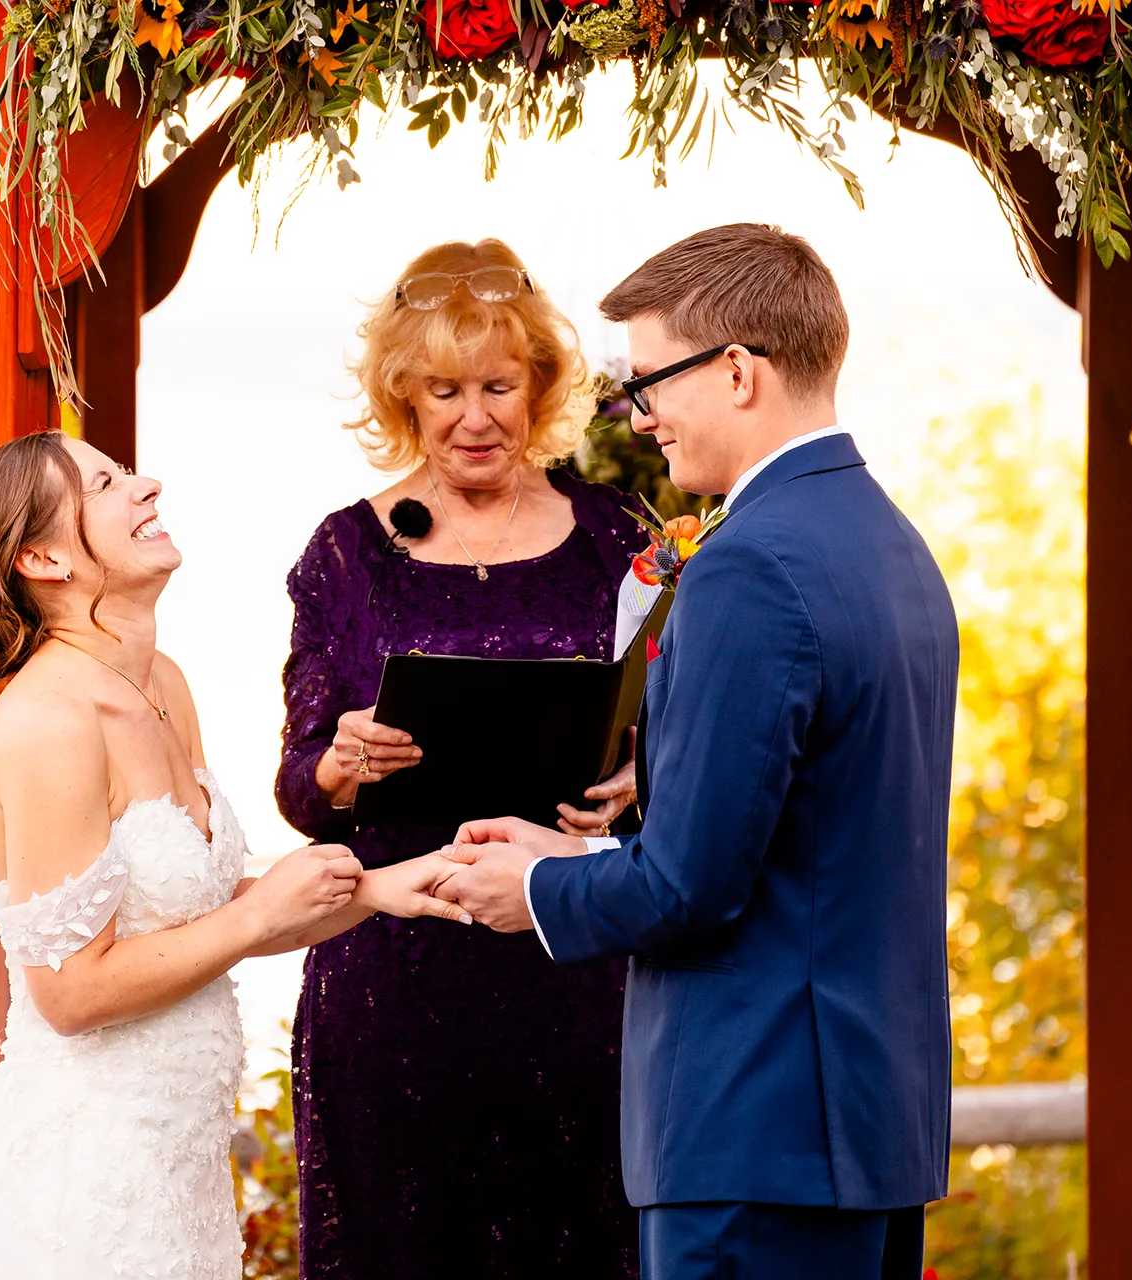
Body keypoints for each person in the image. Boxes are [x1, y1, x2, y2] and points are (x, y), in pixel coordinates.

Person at [0, 431, 464, 1280]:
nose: (148, 486)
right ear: (42, 556)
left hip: (182, 1170)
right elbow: (72, 991)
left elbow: (201, 912)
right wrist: (262, 913)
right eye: (107, 484)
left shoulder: (164, 684)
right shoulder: (49, 724)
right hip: (87, 1184)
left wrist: (379, 888)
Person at [436, 224, 959, 1279]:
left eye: (648, 380)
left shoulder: (750, 566)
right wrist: (585, 850)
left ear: (737, 370)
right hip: (863, 1125)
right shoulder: (891, 544)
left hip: (750, 1129)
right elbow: (800, 840)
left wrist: (533, 887)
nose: (639, 416)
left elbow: (692, 887)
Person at [277, 239, 643, 1279]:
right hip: (394, 984)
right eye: (446, 389)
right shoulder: (343, 552)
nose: (474, 415)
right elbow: (301, 786)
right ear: (405, 394)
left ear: (539, 385)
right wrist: (341, 759)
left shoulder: (615, 536)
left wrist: (635, 780)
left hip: (569, 972)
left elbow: (672, 732)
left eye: (497, 384)